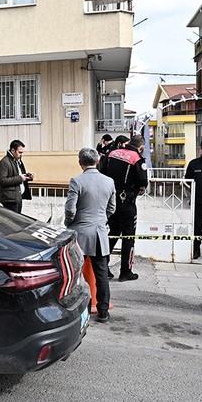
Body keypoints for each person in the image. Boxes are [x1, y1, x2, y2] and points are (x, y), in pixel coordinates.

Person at [65, 148, 116, 323]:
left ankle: (79, 310)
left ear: (80, 162)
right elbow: (111, 208)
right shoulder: (109, 181)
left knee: (76, 273)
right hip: (99, 233)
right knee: (101, 274)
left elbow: (70, 209)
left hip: (80, 233)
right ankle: (103, 311)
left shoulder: (77, 181)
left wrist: (69, 223)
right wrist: (101, 220)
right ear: (98, 160)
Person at [101, 134, 148, 281]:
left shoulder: (112, 153)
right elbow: (143, 182)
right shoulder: (137, 159)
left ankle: (103, 267)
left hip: (110, 199)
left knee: (113, 232)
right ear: (141, 146)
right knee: (128, 237)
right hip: (126, 200)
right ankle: (125, 271)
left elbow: (102, 172)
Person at [0, 139, 34, 213]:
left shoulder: (17, 161)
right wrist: (20, 178)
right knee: (13, 222)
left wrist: (27, 176)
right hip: (10, 199)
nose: (21, 155)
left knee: (17, 220)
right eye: (19, 152)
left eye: (22, 152)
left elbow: (18, 174)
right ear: (13, 150)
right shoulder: (4, 162)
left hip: (17, 196)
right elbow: (2, 180)